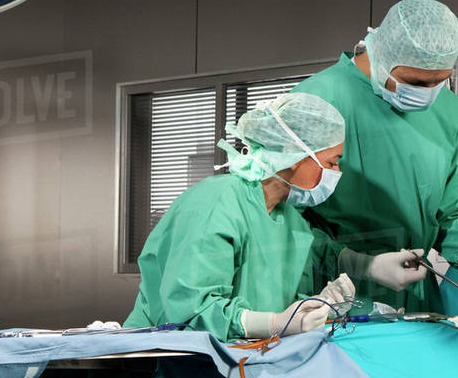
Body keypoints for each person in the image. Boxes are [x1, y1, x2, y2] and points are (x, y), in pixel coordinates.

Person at [296, 0, 458, 311]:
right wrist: (360, 263)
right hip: (334, 295)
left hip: (418, 297)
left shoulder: (447, 110)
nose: (428, 93)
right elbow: (283, 221)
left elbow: (454, 210)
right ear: (381, 54)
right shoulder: (316, 101)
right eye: (416, 82)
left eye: (439, 81)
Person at [125, 92, 357, 341]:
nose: (336, 173)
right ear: (294, 155)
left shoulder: (291, 220)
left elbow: (285, 299)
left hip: (246, 359)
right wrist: (276, 323)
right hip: (169, 361)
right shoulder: (216, 203)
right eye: (332, 163)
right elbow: (192, 313)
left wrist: (316, 310)